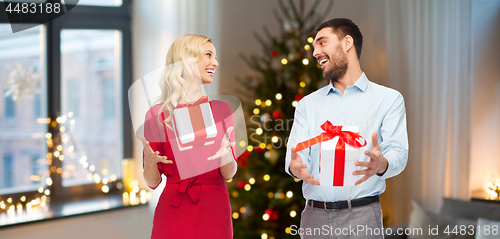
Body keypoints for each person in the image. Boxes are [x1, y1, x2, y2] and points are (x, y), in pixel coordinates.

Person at [285, 18, 408, 238]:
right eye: (314, 47)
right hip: (315, 218)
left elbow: (398, 153)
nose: (315, 53)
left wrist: (382, 163)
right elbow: (297, 153)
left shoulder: (388, 99)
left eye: (322, 43)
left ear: (347, 42)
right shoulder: (307, 105)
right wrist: (295, 167)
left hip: (363, 216)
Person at [141, 34, 237, 239]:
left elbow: (229, 173)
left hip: (214, 210)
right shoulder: (157, 115)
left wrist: (227, 155)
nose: (216, 63)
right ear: (186, 59)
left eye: (216, 56)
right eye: (209, 55)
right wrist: (150, 163)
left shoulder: (222, 110)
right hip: (173, 210)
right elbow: (152, 182)